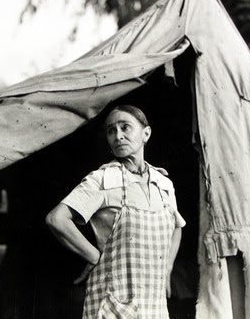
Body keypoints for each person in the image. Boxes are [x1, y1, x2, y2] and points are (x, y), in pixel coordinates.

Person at [46, 105, 186, 318]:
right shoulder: (102, 180)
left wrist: (167, 267)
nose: (118, 136)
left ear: (146, 134)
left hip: (153, 305)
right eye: (111, 131)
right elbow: (57, 219)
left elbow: (177, 225)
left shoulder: (163, 183)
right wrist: (93, 256)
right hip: (113, 304)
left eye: (125, 127)